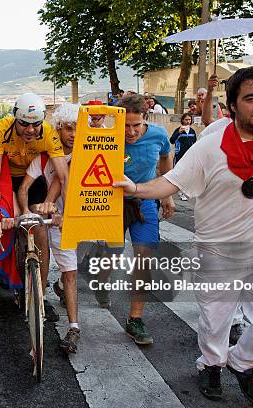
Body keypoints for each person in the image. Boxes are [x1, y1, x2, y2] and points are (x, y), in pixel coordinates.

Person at [114, 67, 253, 405]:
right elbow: (172, 181)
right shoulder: (210, 146)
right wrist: (136, 187)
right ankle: (210, 365)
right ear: (234, 104)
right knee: (215, 323)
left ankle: (242, 362)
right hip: (217, 251)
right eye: (251, 98)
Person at [0, 92, 69, 322]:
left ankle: (40, 296)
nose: (30, 130)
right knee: (12, 224)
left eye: (35, 124)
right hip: (5, 179)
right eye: (23, 124)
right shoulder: (0, 130)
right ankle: (14, 279)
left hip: (32, 179)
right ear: (14, 118)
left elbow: (64, 177)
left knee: (40, 232)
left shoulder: (49, 134)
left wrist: (66, 212)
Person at [99, 94, 174, 343]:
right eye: (126, 126)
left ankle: (135, 319)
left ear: (145, 119)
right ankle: (100, 282)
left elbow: (166, 157)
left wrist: (168, 194)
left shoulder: (158, 135)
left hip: (144, 202)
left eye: (136, 125)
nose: (131, 132)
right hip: (114, 203)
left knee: (144, 258)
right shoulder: (107, 137)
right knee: (112, 255)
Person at [19, 103, 81, 352]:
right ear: (58, 129)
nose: (73, 134)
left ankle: (74, 327)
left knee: (70, 272)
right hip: (50, 219)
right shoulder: (44, 158)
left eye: (77, 129)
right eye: (67, 128)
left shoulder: (86, 155)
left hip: (72, 220)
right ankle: (40, 301)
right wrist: (26, 210)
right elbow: (24, 188)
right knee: (41, 258)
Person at [169, 113, 197, 201]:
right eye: (186, 120)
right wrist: (178, 133)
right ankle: (180, 191)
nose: (188, 121)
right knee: (179, 173)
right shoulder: (178, 130)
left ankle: (185, 191)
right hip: (179, 156)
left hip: (190, 156)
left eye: (189, 120)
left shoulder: (192, 131)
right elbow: (172, 140)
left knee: (189, 174)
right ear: (182, 120)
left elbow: (195, 143)